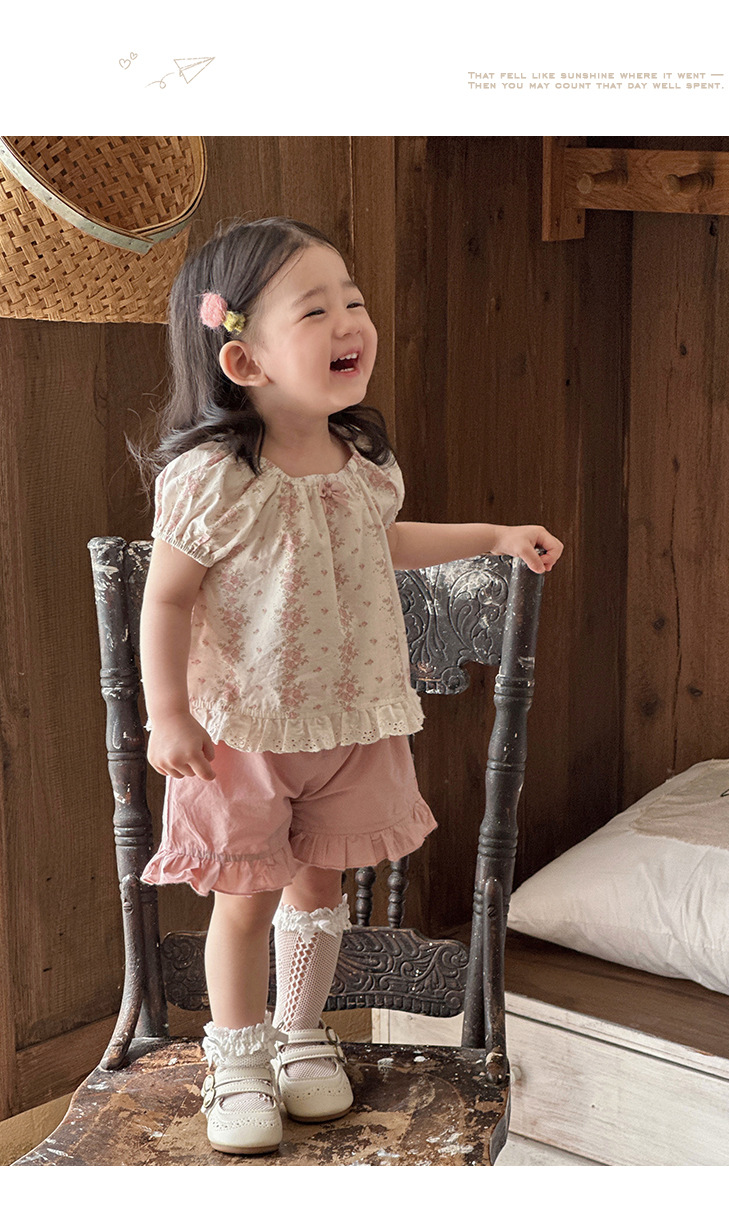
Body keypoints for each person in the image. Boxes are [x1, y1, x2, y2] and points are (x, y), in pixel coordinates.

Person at [137, 216, 563, 1155]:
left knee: (320, 884)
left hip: (349, 719)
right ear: (243, 359)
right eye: (316, 308)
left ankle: (300, 1031)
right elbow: (166, 598)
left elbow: (384, 543)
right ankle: (237, 1054)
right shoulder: (215, 479)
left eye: (354, 301)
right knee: (246, 898)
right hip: (245, 731)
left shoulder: (362, 466)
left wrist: (493, 536)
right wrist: (167, 712)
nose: (349, 321)